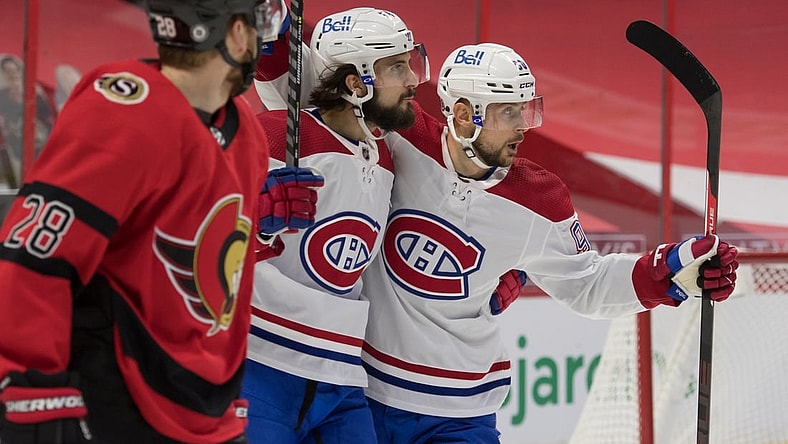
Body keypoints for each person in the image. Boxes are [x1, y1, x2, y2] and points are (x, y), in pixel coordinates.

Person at [257, 37, 740, 442]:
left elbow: (587, 284)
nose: (525, 129)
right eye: (511, 113)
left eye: (528, 110)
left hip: (461, 410)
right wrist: (269, 34)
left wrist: (670, 273)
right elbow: (311, 97)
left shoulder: (541, 198)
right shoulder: (400, 141)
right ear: (465, 115)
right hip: (367, 392)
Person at [0, 1, 323, 443]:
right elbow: (38, 252)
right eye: (260, 23)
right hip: (120, 404)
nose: (267, 41)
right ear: (229, 34)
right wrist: (29, 389)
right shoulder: (125, 108)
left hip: (211, 410)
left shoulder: (243, 128)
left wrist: (258, 220)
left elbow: (204, 259)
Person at [242, 7, 430, 443]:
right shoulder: (272, 136)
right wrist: (256, 223)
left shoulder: (386, 159)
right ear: (355, 83)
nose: (413, 79)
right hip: (260, 360)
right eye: (398, 67)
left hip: (340, 374)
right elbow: (194, 228)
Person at [0, 54, 57, 186]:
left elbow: (49, 118)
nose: (12, 74)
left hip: (40, 146)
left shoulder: (36, 93)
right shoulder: (2, 96)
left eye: (15, 70)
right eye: (7, 71)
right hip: (15, 152)